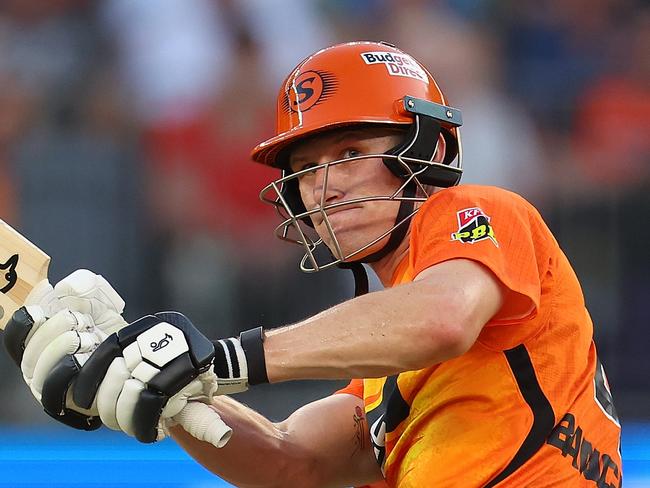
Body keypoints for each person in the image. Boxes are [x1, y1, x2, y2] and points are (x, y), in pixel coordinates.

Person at [4, 41, 622, 487]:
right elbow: (289, 462)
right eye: (303, 169)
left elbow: (442, 317)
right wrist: (161, 387)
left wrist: (217, 360)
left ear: (427, 149)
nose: (324, 185)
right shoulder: (381, 366)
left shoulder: (486, 212)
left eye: (351, 151)